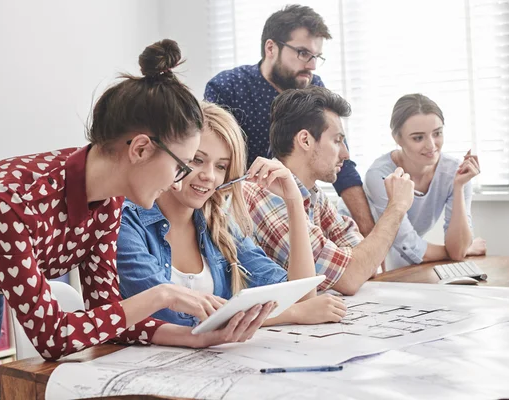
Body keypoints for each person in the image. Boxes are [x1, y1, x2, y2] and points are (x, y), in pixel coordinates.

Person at [0, 39, 273, 400]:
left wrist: (195, 338)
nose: (179, 179)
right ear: (139, 149)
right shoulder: (9, 198)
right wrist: (163, 295)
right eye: (181, 165)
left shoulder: (109, 203)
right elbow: (54, 340)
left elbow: (109, 318)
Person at [116, 102, 346, 327]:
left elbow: (301, 296)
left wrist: (294, 201)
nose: (209, 176)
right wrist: (291, 313)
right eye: (197, 160)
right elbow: (167, 316)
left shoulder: (219, 226)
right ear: (176, 157)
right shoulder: (126, 221)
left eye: (221, 166)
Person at [204, 4, 376, 237]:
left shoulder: (315, 90)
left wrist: (369, 234)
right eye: (303, 53)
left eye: (317, 56)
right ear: (271, 48)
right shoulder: (228, 87)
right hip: (237, 218)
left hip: (298, 208)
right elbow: (211, 166)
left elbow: (342, 166)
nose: (312, 65)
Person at [243, 86, 415, 296]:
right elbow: (351, 277)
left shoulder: (314, 195)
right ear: (305, 140)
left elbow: (368, 266)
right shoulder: (264, 192)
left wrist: (355, 263)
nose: (346, 153)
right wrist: (396, 207)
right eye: (337, 140)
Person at [347, 94, 486, 270]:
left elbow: (457, 251)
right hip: (357, 251)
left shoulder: (455, 172)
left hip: (403, 261)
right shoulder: (380, 175)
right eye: (418, 138)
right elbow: (407, 243)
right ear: (397, 138)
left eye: (437, 133)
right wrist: (462, 249)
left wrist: (458, 187)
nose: (431, 145)